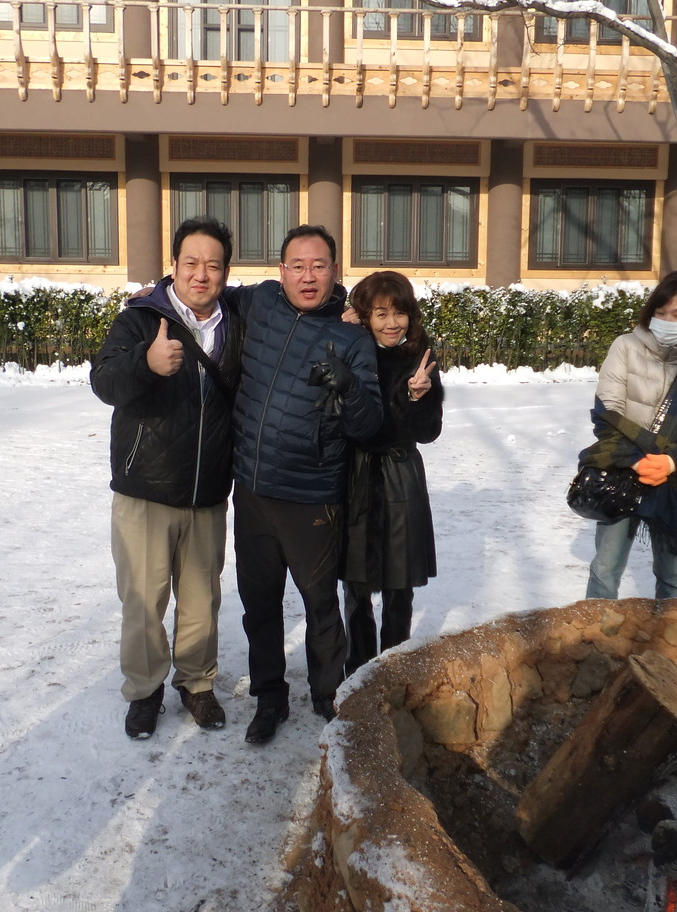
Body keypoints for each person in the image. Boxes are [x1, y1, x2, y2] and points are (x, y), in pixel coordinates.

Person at [229, 225, 382, 744]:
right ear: (281, 271)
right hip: (252, 490)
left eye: (319, 266)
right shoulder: (260, 303)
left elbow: (369, 425)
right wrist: (160, 291)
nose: (308, 276)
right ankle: (269, 698)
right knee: (260, 606)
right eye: (297, 266)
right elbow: (204, 293)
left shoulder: (352, 337)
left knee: (320, 604)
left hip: (312, 495)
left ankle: (327, 694)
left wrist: (349, 385)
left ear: (335, 271)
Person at [90, 217, 243, 740]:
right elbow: (104, 381)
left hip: (207, 493)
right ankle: (144, 690)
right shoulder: (139, 319)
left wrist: (346, 307)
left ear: (226, 272)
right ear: (173, 265)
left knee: (202, 601)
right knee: (143, 601)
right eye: (191, 262)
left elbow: (295, 292)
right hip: (146, 490)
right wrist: (146, 363)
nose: (202, 274)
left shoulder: (236, 320)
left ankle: (197, 684)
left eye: (213, 265)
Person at [582, 271, 677, 600]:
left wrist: (671, 462)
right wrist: (637, 459)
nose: (667, 321)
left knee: (674, 574)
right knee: (605, 568)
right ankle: (597, 632)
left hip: (674, 482)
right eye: (661, 313)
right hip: (622, 470)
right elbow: (607, 413)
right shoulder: (626, 347)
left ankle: (674, 631)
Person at [340, 271, 443, 675]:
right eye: (380, 313)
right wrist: (341, 333)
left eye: (399, 313)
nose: (391, 323)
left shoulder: (419, 357)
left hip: (401, 475)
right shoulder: (352, 349)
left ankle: (393, 671)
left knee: (400, 586)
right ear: (365, 316)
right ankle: (358, 672)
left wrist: (419, 397)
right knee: (356, 585)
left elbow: (429, 432)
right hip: (357, 475)